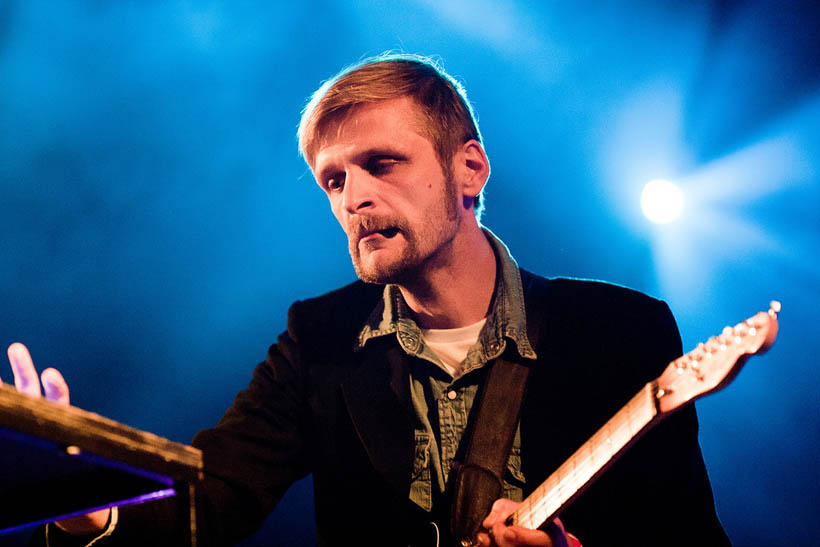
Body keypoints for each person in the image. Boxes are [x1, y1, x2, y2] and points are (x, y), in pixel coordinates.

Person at [5, 54, 730, 546]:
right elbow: (214, 495)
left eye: (380, 163)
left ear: (468, 168)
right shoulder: (317, 337)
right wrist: (91, 501)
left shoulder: (621, 329)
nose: (354, 197)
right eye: (333, 180)